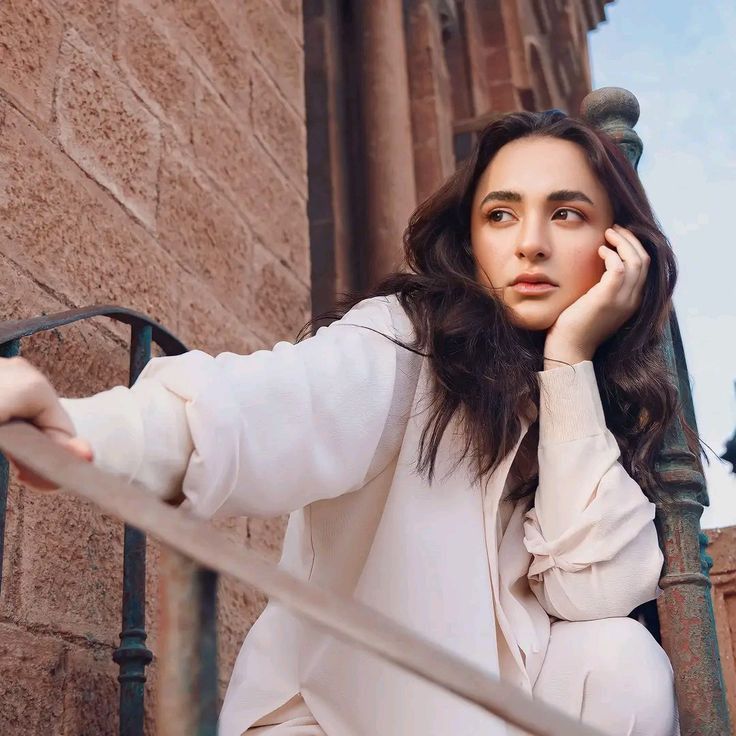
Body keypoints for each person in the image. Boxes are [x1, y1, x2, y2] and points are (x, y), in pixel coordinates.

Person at [0, 110, 685, 736]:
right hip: (337, 722)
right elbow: (269, 404)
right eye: (501, 215)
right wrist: (85, 426)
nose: (530, 244)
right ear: (470, 238)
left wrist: (569, 363)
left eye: (566, 214)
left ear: (616, 244)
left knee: (621, 661)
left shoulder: (589, 406)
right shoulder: (404, 343)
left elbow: (595, 592)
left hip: (490, 718)